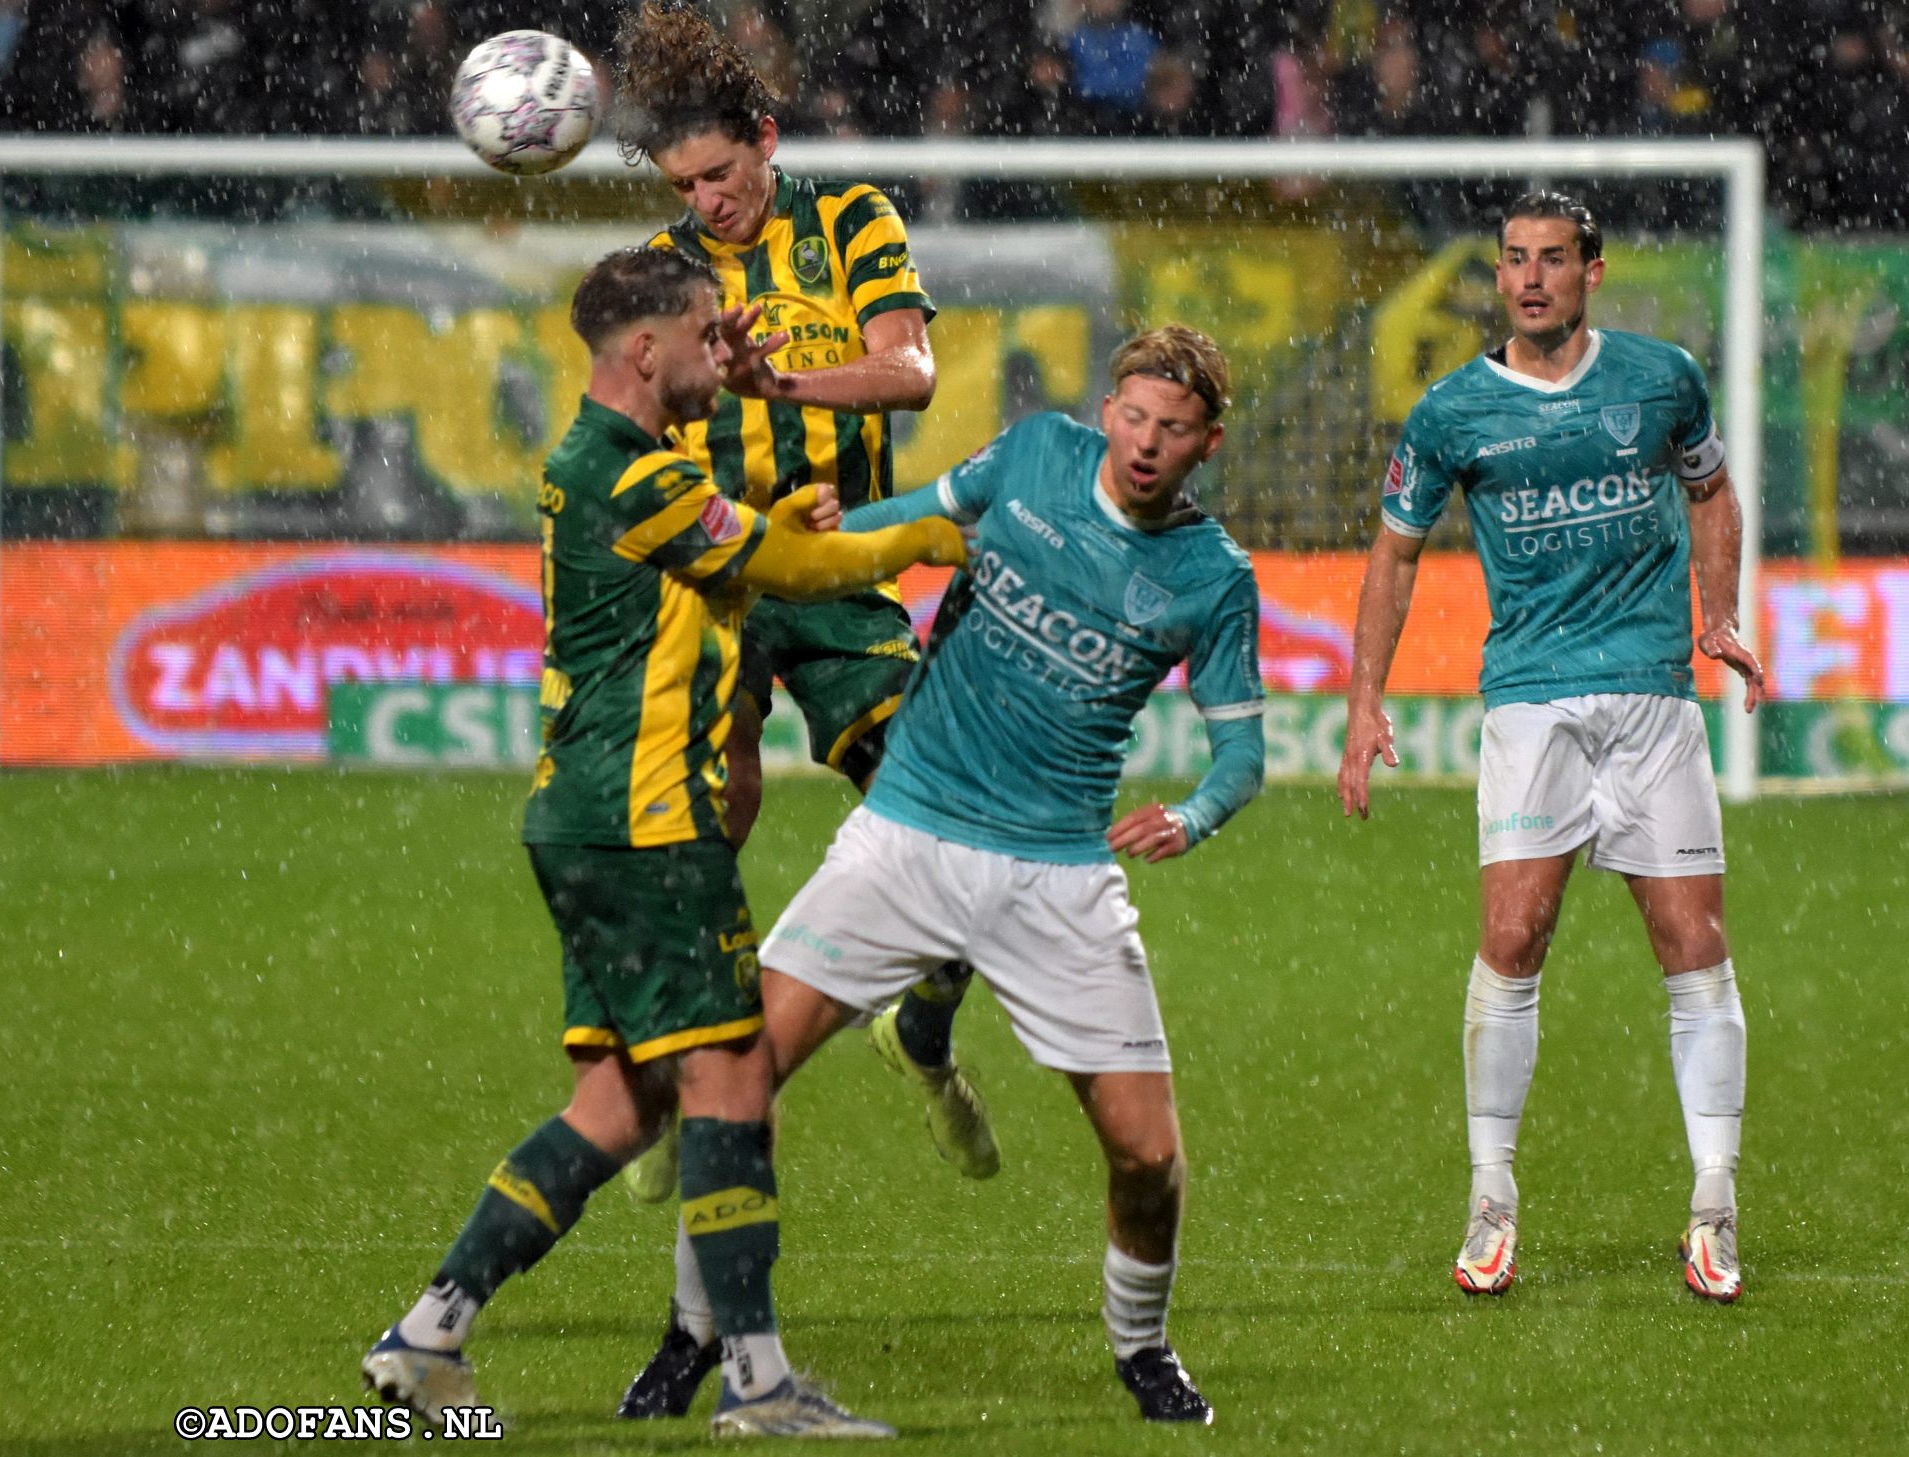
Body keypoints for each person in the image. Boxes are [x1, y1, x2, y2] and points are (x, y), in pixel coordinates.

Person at [360, 246, 964, 1439]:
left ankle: (429, 1332)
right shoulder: (630, 471)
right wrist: (920, 538)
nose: (721, 358)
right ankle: (757, 1380)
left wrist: (780, 520)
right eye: (702, 336)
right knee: (732, 1079)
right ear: (647, 351)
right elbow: (783, 567)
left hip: (582, 814)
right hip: (648, 822)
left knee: (621, 1099)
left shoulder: (609, 464)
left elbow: (724, 572)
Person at [629, 325, 1266, 1425]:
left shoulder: (1212, 577)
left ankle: (1142, 1347)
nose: (1146, 442)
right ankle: (695, 1334)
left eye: (1173, 428)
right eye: (1134, 416)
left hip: (1058, 876)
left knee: (1149, 1156)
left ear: (1207, 442)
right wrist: (833, 533)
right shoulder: (1032, 457)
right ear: (1108, 409)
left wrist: (1198, 811)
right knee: (739, 1079)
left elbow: (1245, 749)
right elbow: (917, 513)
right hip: (905, 836)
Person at [608, 2, 1000, 1413]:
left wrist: (788, 379)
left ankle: (924, 1026)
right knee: (698, 845)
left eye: (719, 176)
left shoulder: (851, 222)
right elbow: (634, 423)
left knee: (951, 818)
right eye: (682, 189)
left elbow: (911, 370)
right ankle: (681, 1084)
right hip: (717, 578)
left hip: (833, 569)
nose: (705, 205)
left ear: (767, 143)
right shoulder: (656, 271)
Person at [1335, 191, 1764, 1304]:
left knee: (1694, 945)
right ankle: (1491, 1197)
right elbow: (1393, 553)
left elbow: (1712, 492)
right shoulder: (1451, 412)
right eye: (1515, 260)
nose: (1530, 279)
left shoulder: (1661, 377)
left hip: (1653, 699)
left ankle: (1714, 1200)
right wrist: (1363, 698)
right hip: (1530, 701)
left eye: (1553, 261)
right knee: (1513, 939)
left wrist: (1718, 611)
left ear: (1593, 271)